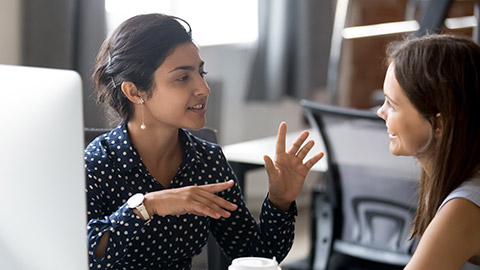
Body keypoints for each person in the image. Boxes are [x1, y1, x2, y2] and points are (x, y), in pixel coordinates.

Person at [85, 13, 324, 269]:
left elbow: (255, 253)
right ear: (135, 92)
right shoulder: (98, 163)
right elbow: (86, 254)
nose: (204, 88)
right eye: (182, 78)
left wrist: (279, 200)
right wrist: (150, 205)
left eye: (201, 72)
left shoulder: (207, 161)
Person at [377, 34, 480, 270]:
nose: (381, 112)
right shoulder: (453, 178)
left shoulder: (464, 206)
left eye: (392, 104)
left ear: (439, 124)